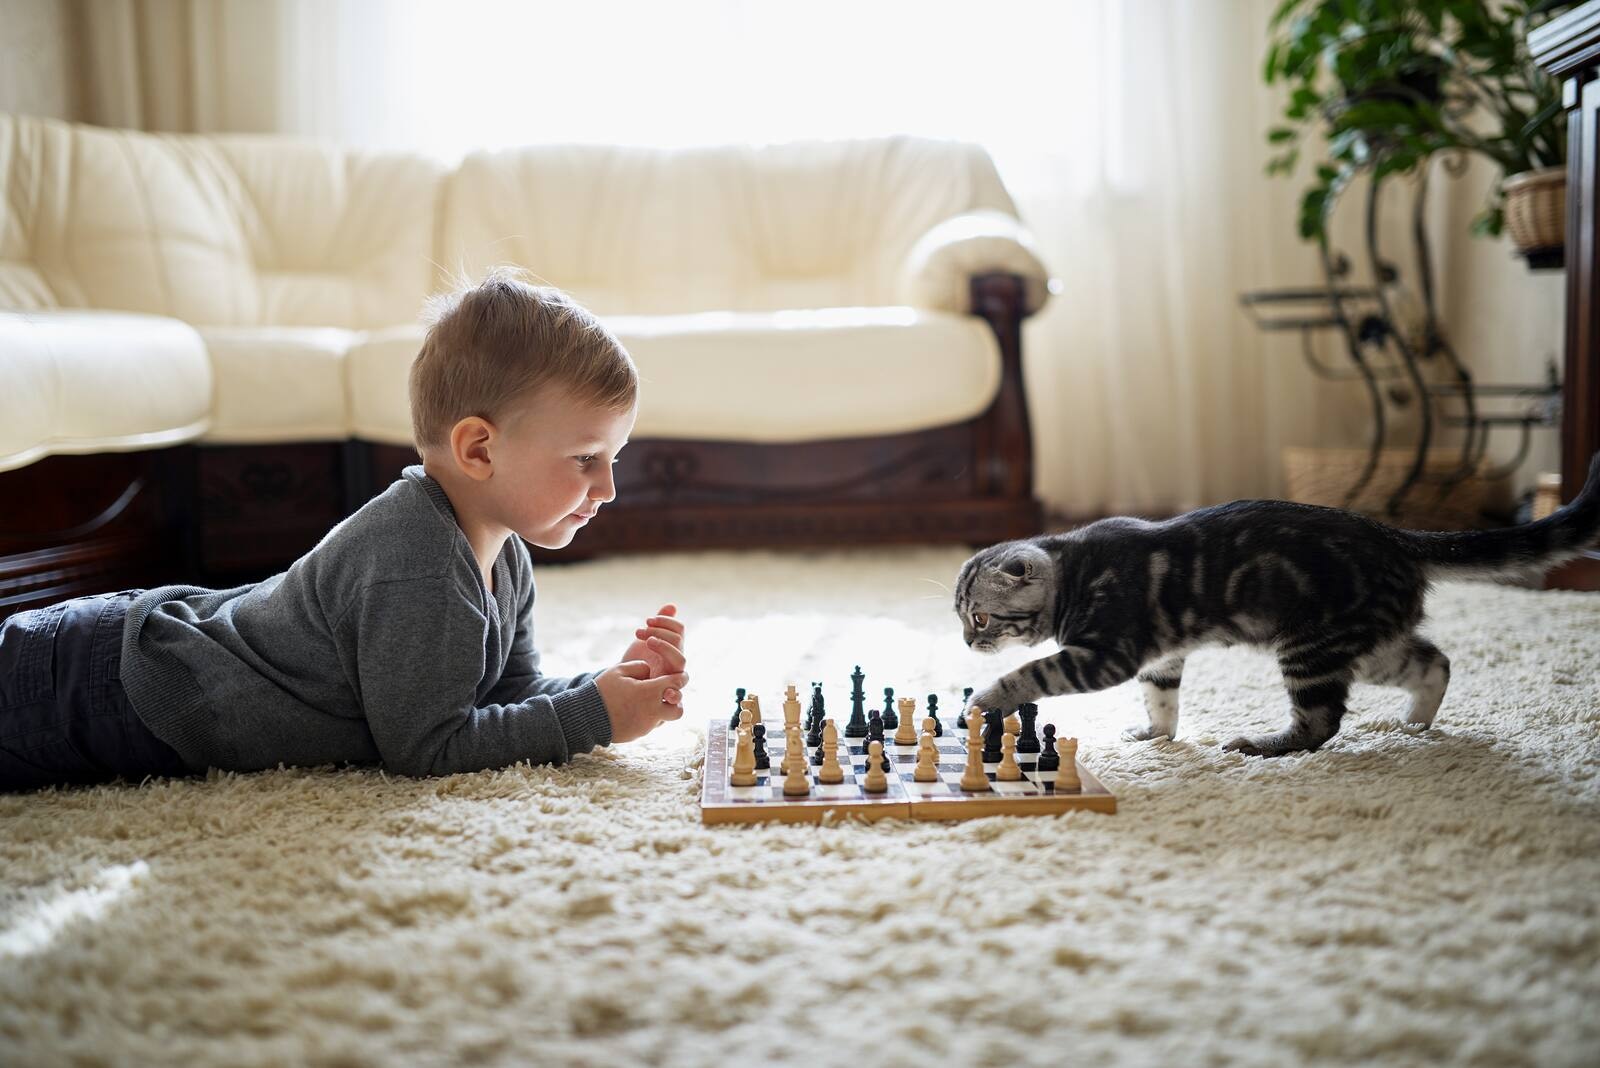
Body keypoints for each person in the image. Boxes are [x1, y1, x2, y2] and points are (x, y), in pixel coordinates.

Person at [0, 268, 688, 791]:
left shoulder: (504, 555)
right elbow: (428, 748)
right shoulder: (417, 557)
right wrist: (592, 719)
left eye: (613, 459)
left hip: (134, 659)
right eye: (585, 459)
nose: (608, 489)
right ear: (479, 449)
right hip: (104, 690)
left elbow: (500, 699)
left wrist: (603, 687)